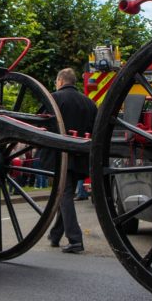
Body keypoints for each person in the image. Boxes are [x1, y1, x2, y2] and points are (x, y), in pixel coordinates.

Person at [47, 68, 98, 254]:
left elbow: (43, 125)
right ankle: (55, 235)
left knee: (64, 194)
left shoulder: (54, 98)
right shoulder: (89, 103)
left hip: (60, 154)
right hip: (80, 156)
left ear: (60, 81)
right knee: (65, 193)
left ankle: (75, 239)